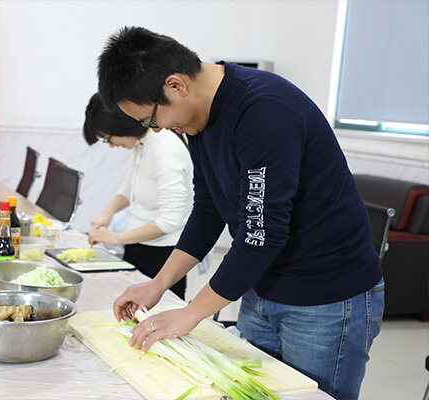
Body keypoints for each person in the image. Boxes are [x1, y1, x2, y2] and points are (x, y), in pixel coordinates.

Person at [98, 27, 384, 400]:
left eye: (151, 120)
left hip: (325, 298)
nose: (158, 129)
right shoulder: (198, 117)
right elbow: (208, 208)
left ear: (176, 85)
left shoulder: (264, 111)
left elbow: (260, 238)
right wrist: (159, 283)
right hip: (262, 288)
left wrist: (191, 313)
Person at [83, 93, 193, 299]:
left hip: (163, 253)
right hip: (140, 244)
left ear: (120, 124)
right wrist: (107, 213)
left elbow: (171, 220)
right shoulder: (144, 142)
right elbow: (129, 187)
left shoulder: (166, 149)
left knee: (156, 311)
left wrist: (117, 238)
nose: (112, 145)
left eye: (109, 139)